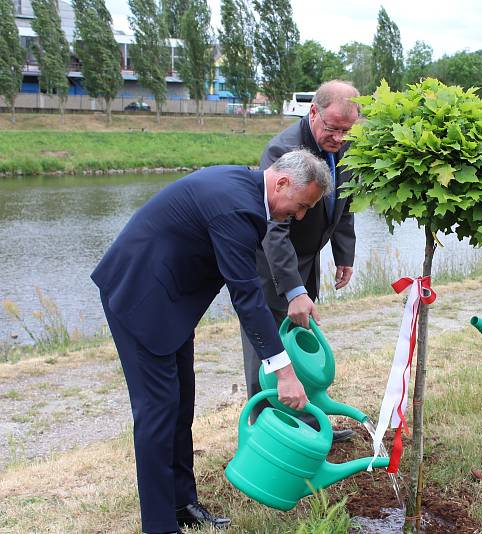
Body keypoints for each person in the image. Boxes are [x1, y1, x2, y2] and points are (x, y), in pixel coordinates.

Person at [92, 150, 330, 534]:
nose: (299, 216)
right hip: (140, 296)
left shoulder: (247, 190)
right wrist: (283, 370)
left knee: (181, 403)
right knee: (157, 414)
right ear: (282, 182)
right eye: (301, 206)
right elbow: (247, 297)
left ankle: (183, 504)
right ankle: (159, 525)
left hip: (171, 301)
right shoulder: (237, 208)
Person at [240, 80, 360, 438]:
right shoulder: (283, 150)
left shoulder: (345, 148)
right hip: (269, 265)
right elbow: (273, 229)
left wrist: (344, 254)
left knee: (302, 345)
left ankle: (308, 425)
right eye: (332, 128)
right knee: (266, 347)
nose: (339, 138)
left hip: (306, 261)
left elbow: (344, 202)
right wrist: (292, 290)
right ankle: (267, 430)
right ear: (313, 112)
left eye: (346, 130)